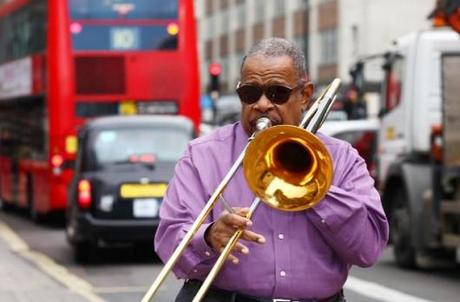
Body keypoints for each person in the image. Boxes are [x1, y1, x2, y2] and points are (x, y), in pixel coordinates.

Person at [155, 38, 389, 302]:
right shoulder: (202, 155)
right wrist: (208, 237)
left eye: (277, 93)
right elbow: (169, 242)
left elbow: (368, 250)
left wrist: (313, 185)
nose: (262, 104)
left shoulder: (341, 158)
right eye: (250, 93)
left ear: (304, 95)